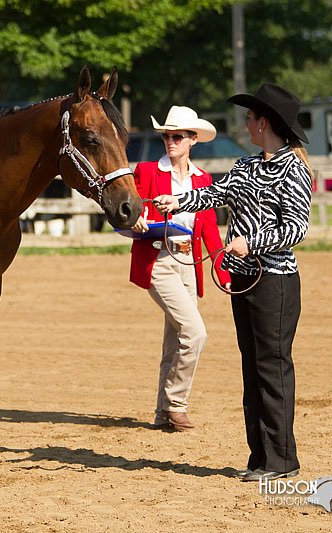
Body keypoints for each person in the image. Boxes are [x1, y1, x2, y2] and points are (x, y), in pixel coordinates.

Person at [153, 83, 312, 482]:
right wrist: (179, 201)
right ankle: (260, 457)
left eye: (249, 117)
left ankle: (281, 459)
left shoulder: (294, 169)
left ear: (264, 122)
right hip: (244, 282)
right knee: (251, 367)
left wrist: (249, 242)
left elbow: (296, 228)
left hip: (275, 282)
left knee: (272, 368)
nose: (244, 123)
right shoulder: (246, 166)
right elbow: (216, 194)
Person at [129, 106, 231, 432]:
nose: (169, 141)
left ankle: (162, 413)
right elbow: (128, 209)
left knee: (174, 341)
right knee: (195, 332)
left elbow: (210, 230)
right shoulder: (146, 171)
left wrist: (223, 270)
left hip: (189, 263)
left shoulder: (202, 179)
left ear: (192, 140)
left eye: (176, 136)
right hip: (158, 260)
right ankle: (177, 404)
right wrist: (137, 220)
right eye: (166, 136)